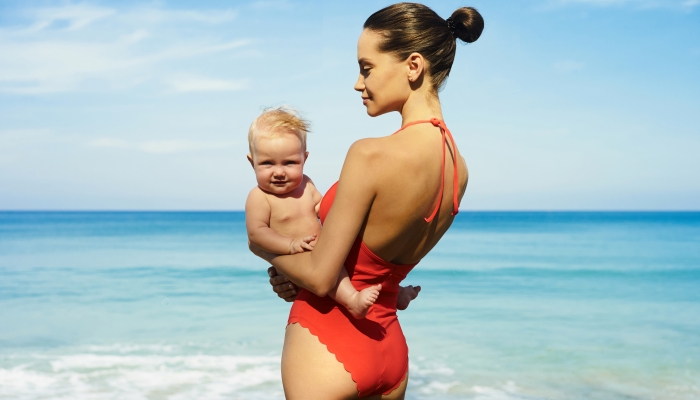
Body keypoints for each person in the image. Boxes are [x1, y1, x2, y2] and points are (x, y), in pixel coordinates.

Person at [251, 3, 484, 399]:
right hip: (389, 349)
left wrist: (269, 251)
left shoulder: (370, 154)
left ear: (413, 66)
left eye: (366, 68)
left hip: (327, 340)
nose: (358, 84)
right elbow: (380, 267)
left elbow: (323, 276)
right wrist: (297, 271)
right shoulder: (458, 170)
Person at [245, 107, 383, 319]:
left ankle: (392, 292)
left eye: (290, 162)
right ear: (251, 161)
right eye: (267, 163)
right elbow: (257, 234)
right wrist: (290, 246)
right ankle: (352, 301)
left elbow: (321, 208)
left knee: (354, 261)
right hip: (297, 260)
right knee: (334, 277)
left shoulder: (307, 185)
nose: (279, 172)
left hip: (319, 248)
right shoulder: (259, 197)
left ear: (304, 158)